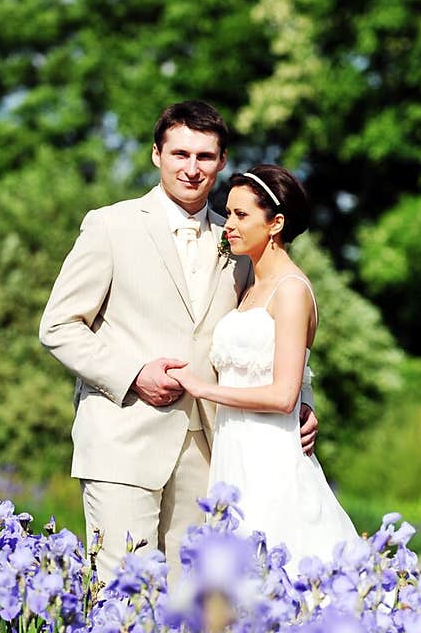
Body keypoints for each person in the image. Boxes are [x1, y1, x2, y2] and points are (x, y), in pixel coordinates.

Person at [38, 103, 318, 583]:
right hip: (122, 442)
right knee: (123, 596)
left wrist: (303, 405)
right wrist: (133, 374)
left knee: (194, 607)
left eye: (205, 156)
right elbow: (58, 326)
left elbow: (274, 330)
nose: (192, 168)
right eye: (180, 153)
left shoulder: (240, 236)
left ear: (222, 160)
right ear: (156, 154)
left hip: (212, 451)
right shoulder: (109, 226)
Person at [166, 164, 358, 577]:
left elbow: (282, 394)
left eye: (241, 215)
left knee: (275, 572)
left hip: (270, 456)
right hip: (234, 449)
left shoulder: (290, 290)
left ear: (276, 223)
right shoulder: (251, 285)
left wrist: (202, 388)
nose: (228, 225)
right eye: (228, 213)